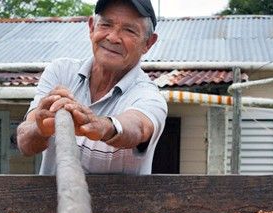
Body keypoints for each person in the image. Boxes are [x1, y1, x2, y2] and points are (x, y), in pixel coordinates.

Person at [17, 0, 167, 175]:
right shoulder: (60, 72)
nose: (112, 37)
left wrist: (103, 126)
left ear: (148, 43)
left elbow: (138, 127)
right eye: (106, 24)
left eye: (129, 30)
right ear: (91, 28)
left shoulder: (149, 95)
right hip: (56, 202)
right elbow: (25, 143)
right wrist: (40, 128)